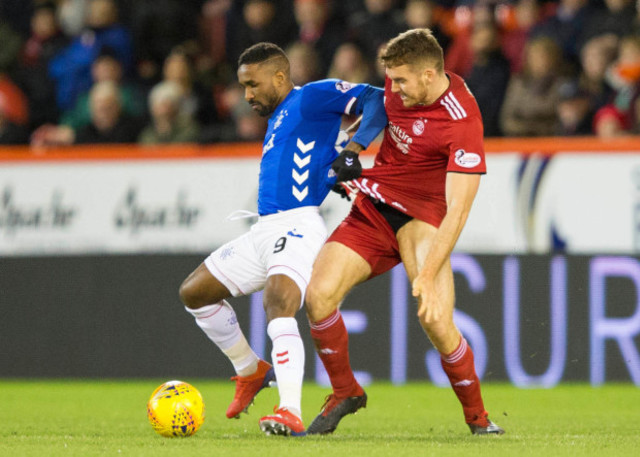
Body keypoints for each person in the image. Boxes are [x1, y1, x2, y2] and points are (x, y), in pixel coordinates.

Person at [178, 42, 386, 437]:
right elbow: (311, 156)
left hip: (298, 225)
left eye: (252, 85)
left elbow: (377, 99)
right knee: (194, 293)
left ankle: (289, 409)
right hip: (264, 229)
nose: (247, 95)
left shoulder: (311, 97)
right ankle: (250, 370)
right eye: (243, 87)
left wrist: (355, 149)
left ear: (278, 76)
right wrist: (331, 165)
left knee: (279, 301)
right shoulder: (281, 119)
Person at [304, 28, 505, 436]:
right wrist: (354, 149)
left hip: (423, 218)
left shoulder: (462, 121)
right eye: (391, 79)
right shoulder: (399, 89)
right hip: (376, 206)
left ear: (429, 75)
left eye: (400, 80)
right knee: (318, 296)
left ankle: (479, 420)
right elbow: (379, 107)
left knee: (436, 320)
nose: (392, 88)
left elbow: (459, 210)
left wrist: (428, 274)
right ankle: (345, 391)